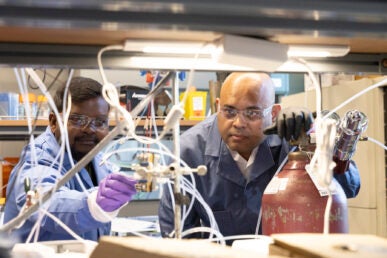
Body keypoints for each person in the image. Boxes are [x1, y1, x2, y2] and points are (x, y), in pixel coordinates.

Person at [158, 72, 360, 241]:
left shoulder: (290, 140)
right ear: (217, 105)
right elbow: (176, 234)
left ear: (274, 113)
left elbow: (350, 188)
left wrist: (314, 139)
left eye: (252, 113)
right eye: (229, 111)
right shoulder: (188, 151)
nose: (238, 123)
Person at [3, 77, 137, 242]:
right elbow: (46, 204)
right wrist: (93, 205)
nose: (90, 130)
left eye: (100, 122)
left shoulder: (98, 160)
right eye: (78, 120)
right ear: (53, 121)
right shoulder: (37, 159)